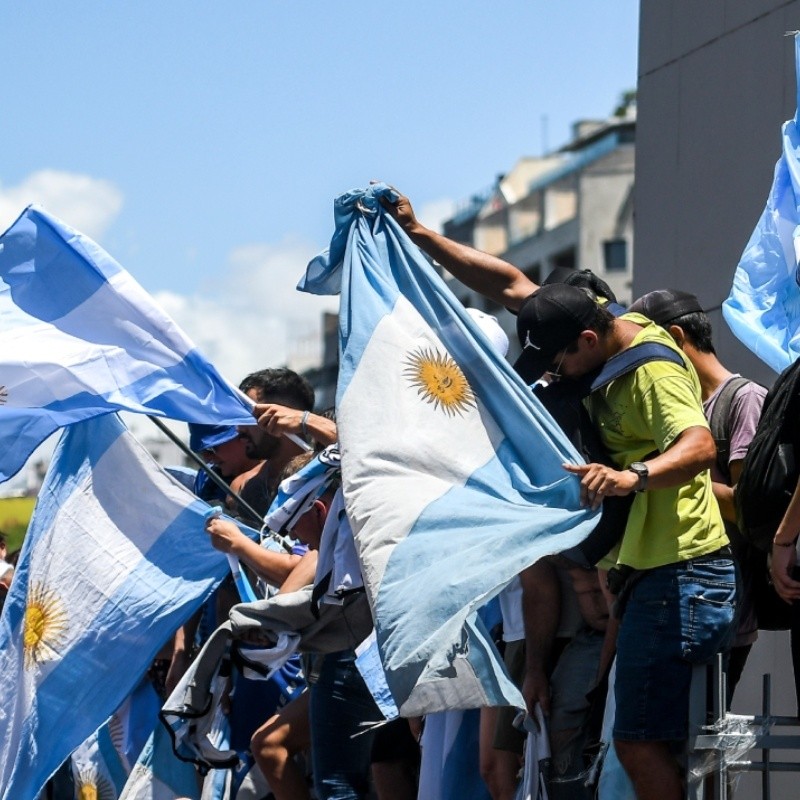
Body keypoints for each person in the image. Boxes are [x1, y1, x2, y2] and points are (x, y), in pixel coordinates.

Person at [383, 190, 736, 800]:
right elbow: (514, 285)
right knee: (635, 742)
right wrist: (421, 235)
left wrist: (635, 477)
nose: (553, 372)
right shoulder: (589, 318)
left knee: (640, 743)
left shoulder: (650, 371)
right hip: (647, 573)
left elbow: (701, 446)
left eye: (559, 360)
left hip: (683, 571)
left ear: (591, 340)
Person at [629, 288, 767, 702]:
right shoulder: (681, 406)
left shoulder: (743, 399)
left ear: (675, 337)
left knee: (702, 747)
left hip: (722, 606)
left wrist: (676, 475)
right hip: (672, 594)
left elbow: (749, 509)